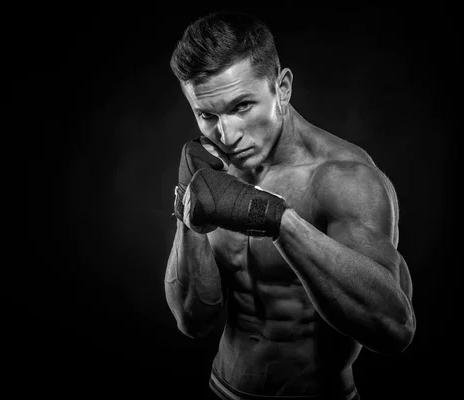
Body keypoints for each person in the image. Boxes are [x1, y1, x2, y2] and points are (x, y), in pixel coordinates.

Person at [164, 11, 415, 400]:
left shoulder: (344, 178)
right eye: (207, 115)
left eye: (242, 106)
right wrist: (187, 211)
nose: (227, 134)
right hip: (223, 389)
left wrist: (278, 220)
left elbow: (393, 328)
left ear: (282, 88)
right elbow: (193, 320)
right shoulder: (215, 168)